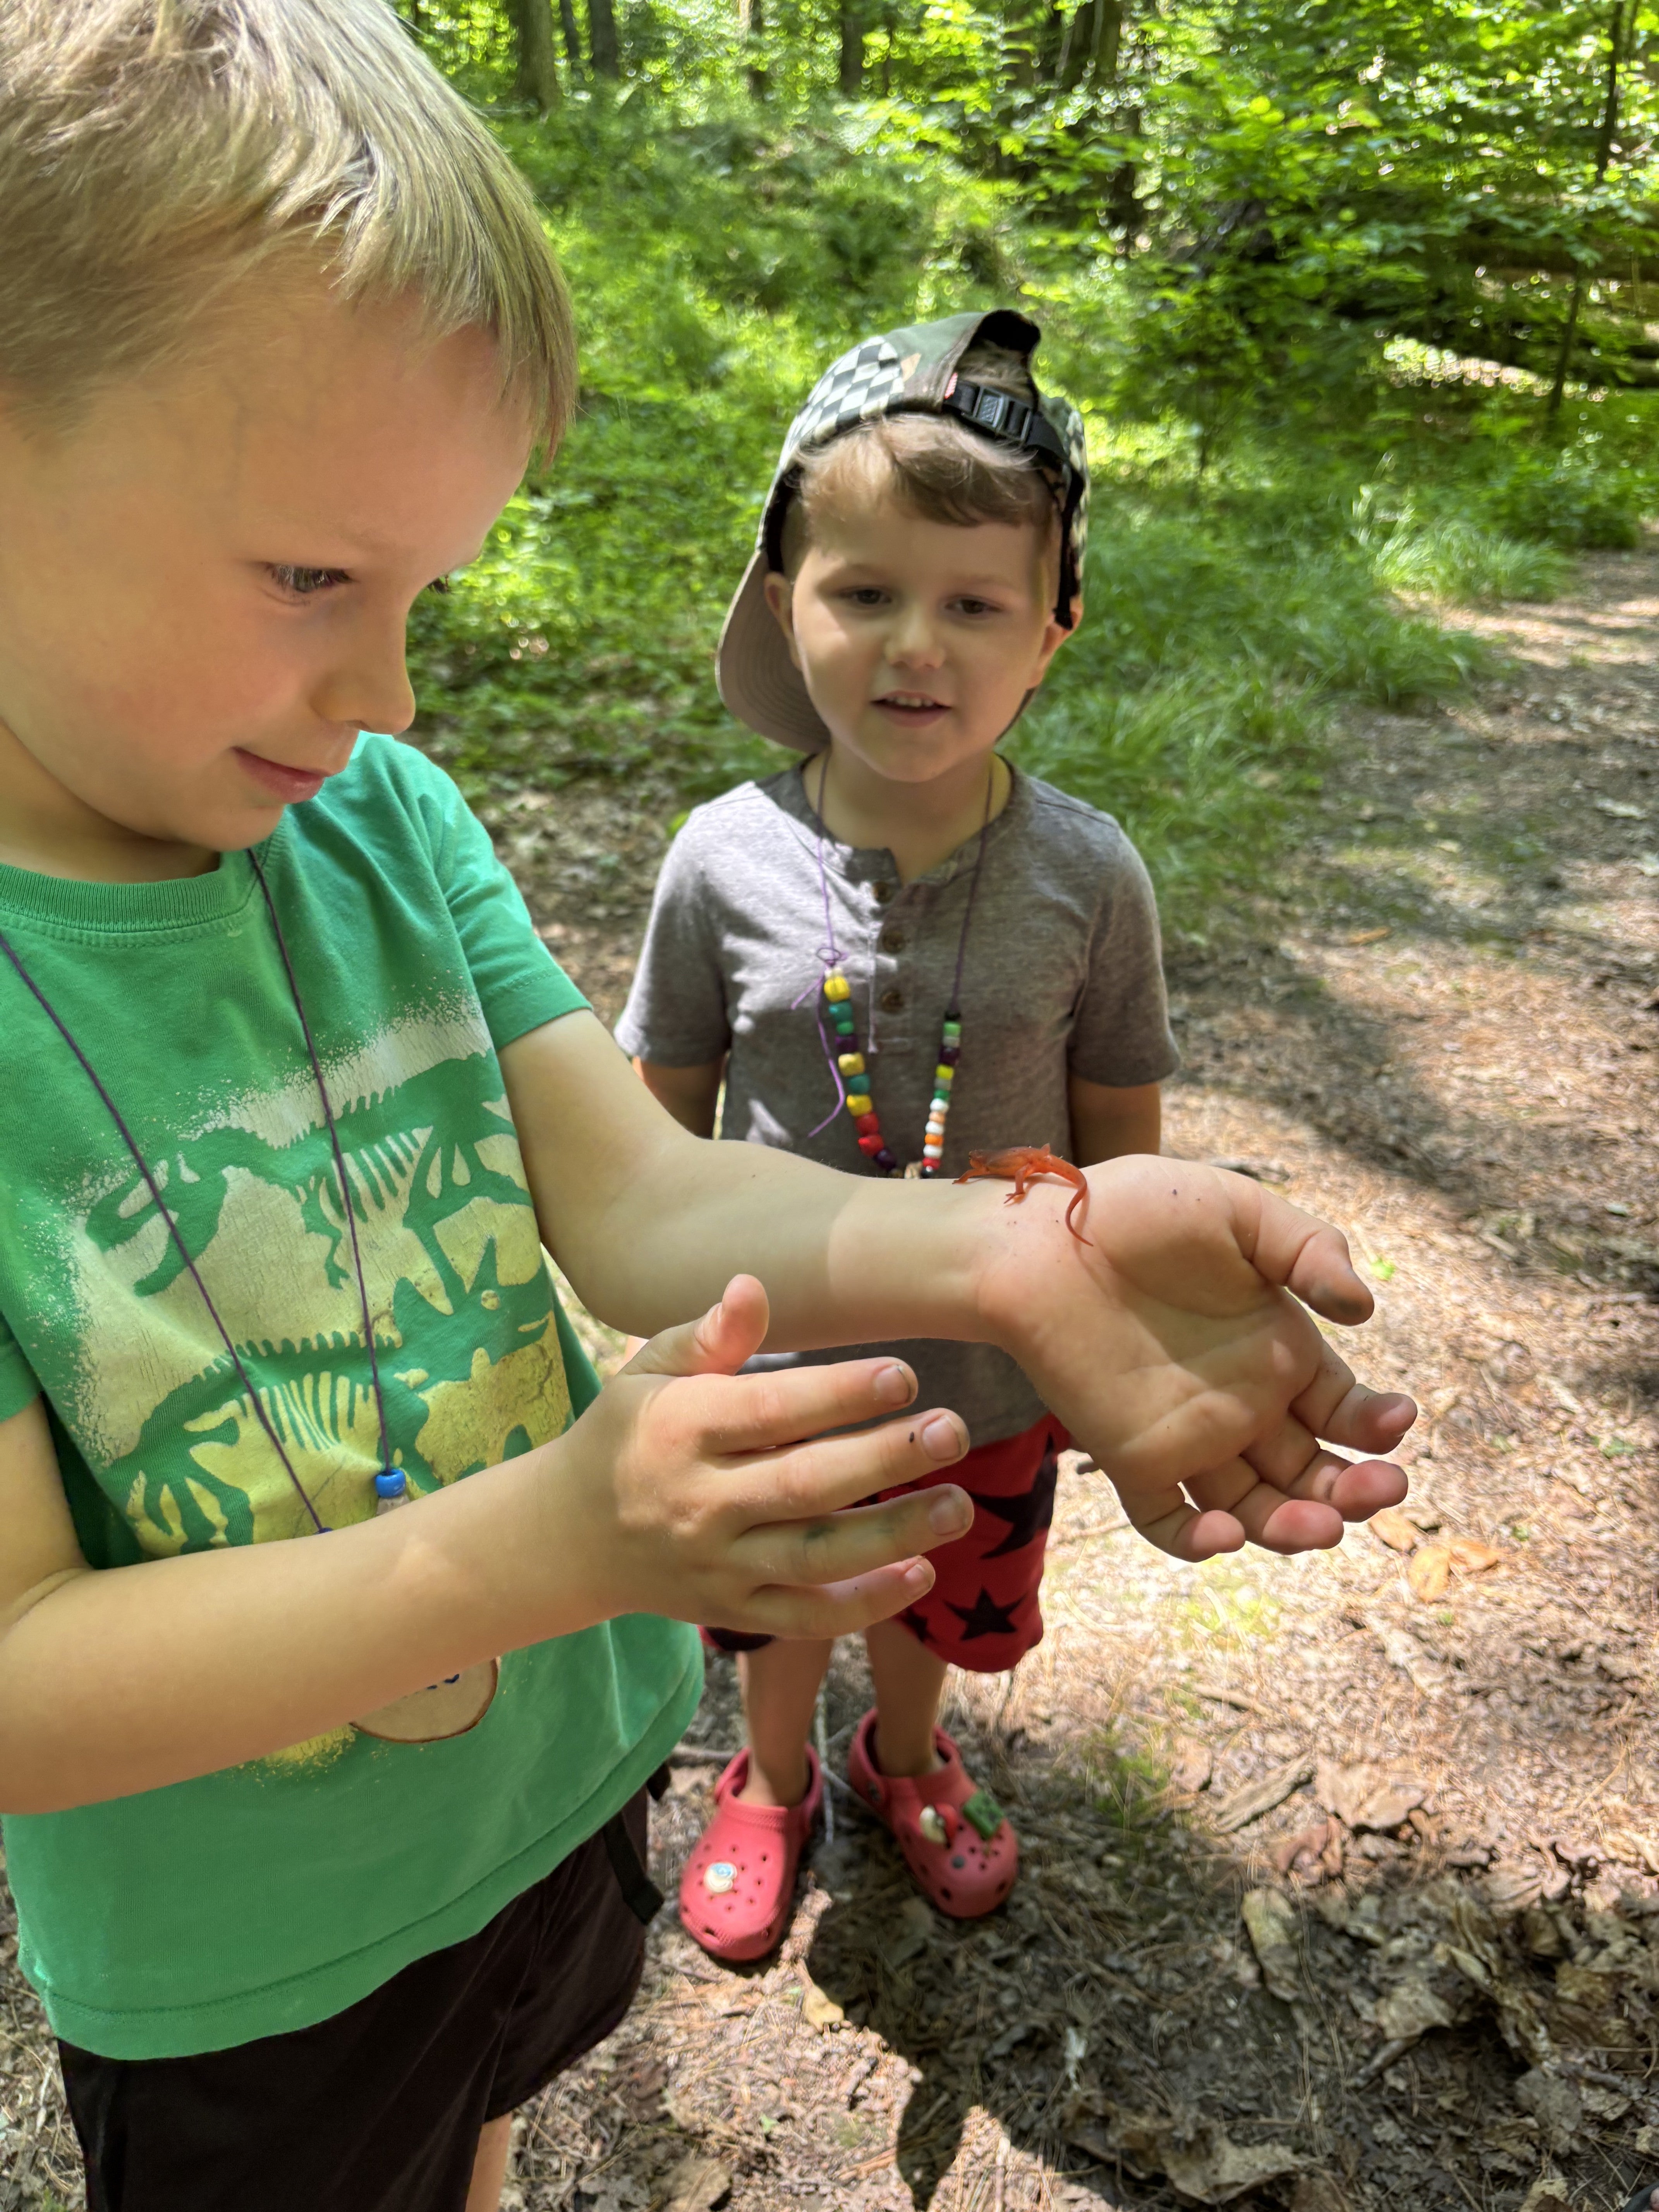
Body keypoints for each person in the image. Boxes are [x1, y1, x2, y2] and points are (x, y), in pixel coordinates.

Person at [0, 8, 1413, 2208]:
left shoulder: (377, 822)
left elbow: (643, 1195)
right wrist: (551, 1541)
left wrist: (1013, 1257)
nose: (383, 694)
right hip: (247, 1968)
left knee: (476, 2137)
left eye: (422, 595)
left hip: (548, 1793)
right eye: (309, 579)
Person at [613, 309, 1366, 1958]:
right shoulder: (718, 865)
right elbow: (648, 1139)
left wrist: (1112, 1342)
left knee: (933, 1594)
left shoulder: (1089, 880)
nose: (915, 648)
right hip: (775, 1368)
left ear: (1053, 634)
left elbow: (1118, 1167)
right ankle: (770, 1775)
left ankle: (905, 1751)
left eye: (974, 605)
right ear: (783, 602)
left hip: (988, 1386)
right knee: (786, 1598)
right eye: (864, 592)